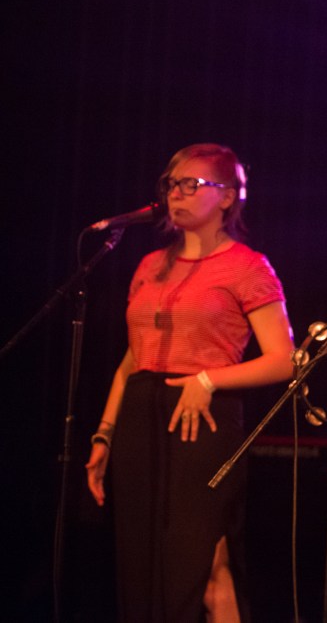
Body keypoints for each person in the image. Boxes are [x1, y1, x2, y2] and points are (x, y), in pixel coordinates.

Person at [85, 143, 295, 622]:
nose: (176, 194)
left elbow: (287, 361)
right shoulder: (149, 265)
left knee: (202, 564)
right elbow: (131, 360)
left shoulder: (247, 266)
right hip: (141, 416)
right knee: (141, 566)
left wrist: (209, 378)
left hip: (202, 420)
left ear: (227, 198)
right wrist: (104, 433)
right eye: (171, 184)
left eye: (192, 184)